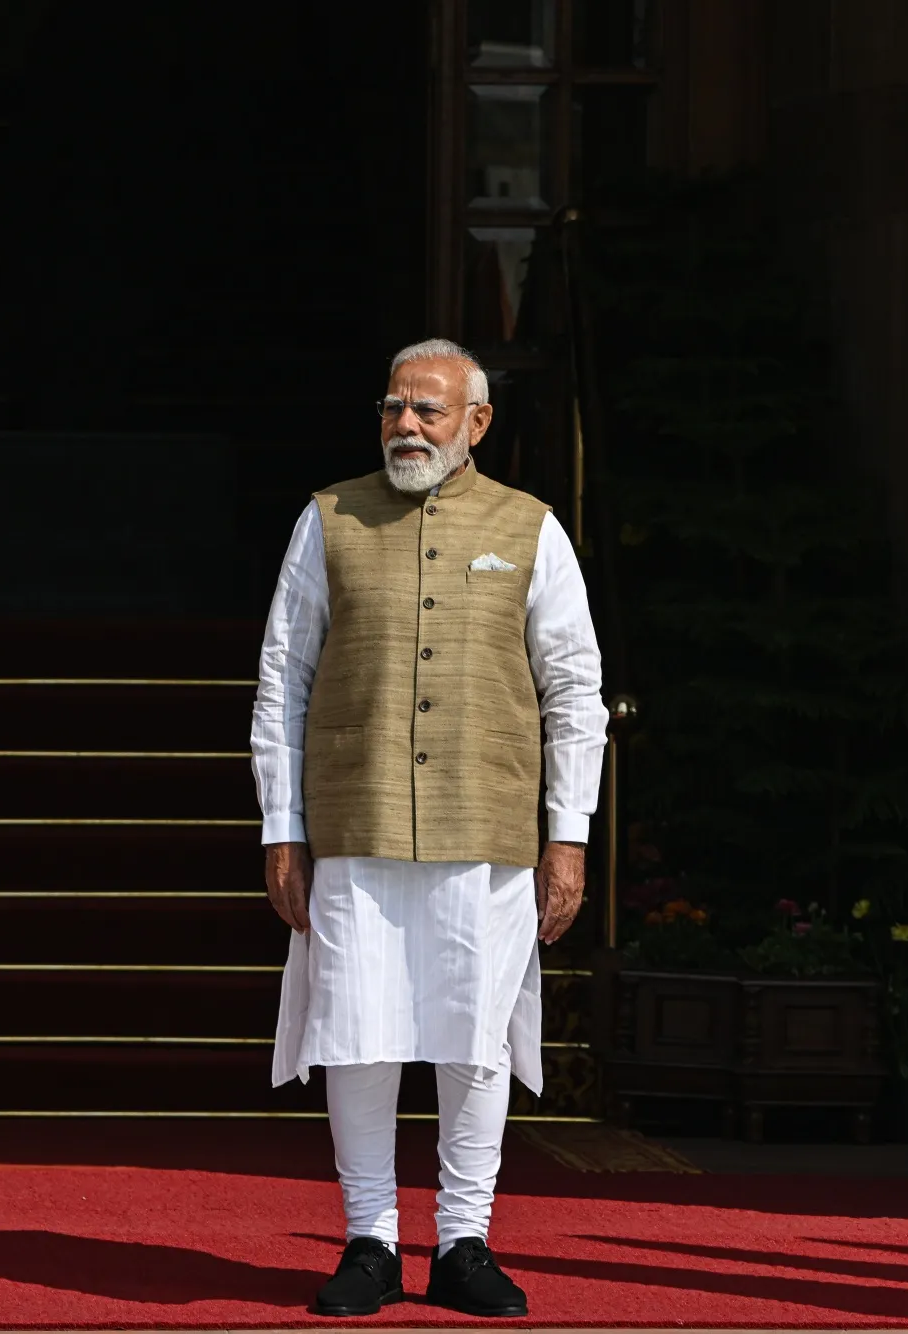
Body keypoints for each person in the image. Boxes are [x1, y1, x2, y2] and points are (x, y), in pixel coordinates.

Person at [251, 338, 608, 1318]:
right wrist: (281, 826)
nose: (405, 425)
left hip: (485, 829)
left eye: (428, 411)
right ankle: (369, 1238)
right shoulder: (327, 518)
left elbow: (575, 688)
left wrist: (566, 834)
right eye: (392, 408)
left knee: (472, 1041)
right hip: (354, 821)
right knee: (356, 1034)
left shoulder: (528, 527)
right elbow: (282, 676)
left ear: (476, 423)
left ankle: (464, 1240)